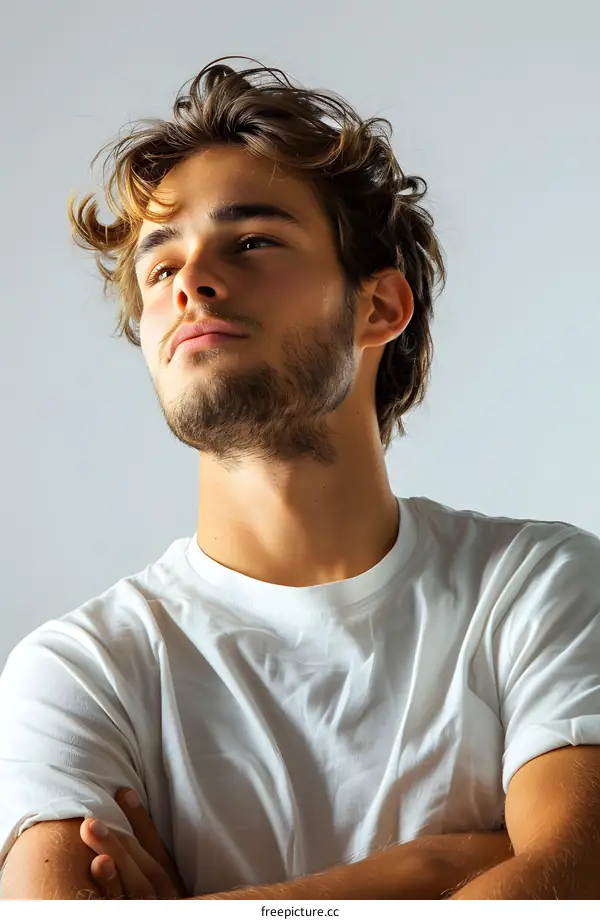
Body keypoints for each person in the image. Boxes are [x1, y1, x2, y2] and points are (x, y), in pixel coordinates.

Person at [1, 55, 600, 901]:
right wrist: (433, 869)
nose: (191, 285)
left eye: (252, 242)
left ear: (379, 307)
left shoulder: (538, 588)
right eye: (159, 266)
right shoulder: (81, 671)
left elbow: (563, 893)